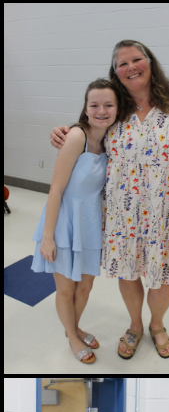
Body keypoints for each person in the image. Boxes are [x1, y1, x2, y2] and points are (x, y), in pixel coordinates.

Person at [51, 39, 169, 360]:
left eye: (136, 59)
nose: (131, 67)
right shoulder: (114, 111)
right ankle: (135, 325)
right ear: (115, 72)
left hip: (166, 217)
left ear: (150, 62)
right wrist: (62, 132)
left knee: (162, 279)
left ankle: (157, 325)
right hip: (121, 215)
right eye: (122, 64)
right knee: (128, 274)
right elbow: (84, 134)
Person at [32, 79, 118, 364]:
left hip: (91, 222)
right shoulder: (76, 136)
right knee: (66, 289)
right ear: (86, 107)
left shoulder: (113, 139)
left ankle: (75, 327)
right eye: (95, 105)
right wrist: (48, 237)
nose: (101, 111)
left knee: (85, 287)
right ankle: (71, 336)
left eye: (108, 105)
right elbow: (56, 190)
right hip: (64, 220)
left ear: (118, 108)